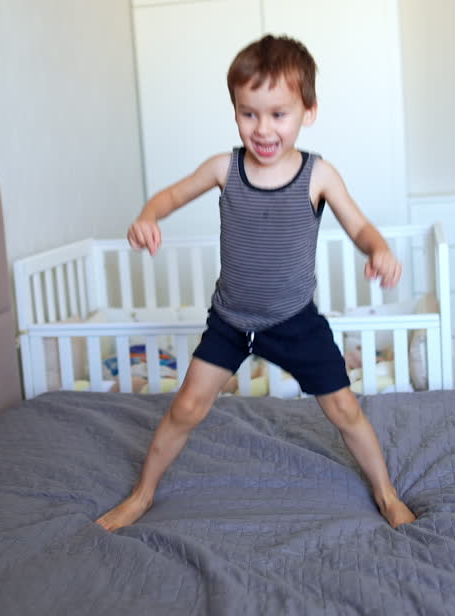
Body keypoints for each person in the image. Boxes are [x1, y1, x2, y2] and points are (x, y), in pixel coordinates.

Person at [96, 35, 417, 531]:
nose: (263, 129)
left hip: (295, 322)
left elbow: (359, 226)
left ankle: (387, 494)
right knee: (186, 407)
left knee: (345, 411)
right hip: (230, 322)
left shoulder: (318, 175)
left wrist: (378, 249)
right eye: (249, 114)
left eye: (278, 114)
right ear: (236, 112)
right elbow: (169, 196)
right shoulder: (224, 168)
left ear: (308, 111)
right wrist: (147, 216)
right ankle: (141, 496)